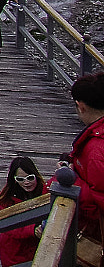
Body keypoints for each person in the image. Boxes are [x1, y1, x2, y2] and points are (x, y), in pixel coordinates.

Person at [67, 72, 104, 259]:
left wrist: (70, 180)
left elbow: (98, 199)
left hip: (95, 236)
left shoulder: (96, 149)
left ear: (81, 107)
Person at [0, 156, 49, 267]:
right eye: (20, 179)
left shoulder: (46, 192)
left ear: (35, 175)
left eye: (30, 178)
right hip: (14, 251)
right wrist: (33, 230)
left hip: (36, 248)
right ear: (14, 179)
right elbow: (7, 225)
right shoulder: (6, 198)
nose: (26, 182)